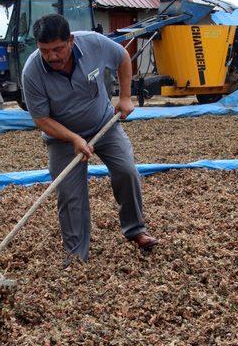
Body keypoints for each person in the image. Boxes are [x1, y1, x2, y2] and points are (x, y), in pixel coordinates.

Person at [21, 14, 158, 263]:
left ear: (71, 41)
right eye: (45, 51)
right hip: (62, 138)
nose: (52, 57)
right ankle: (76, 254)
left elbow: (123, 58)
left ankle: (136, 230)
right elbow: (40, 119)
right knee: (70, 194)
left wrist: (125, 97)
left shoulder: (93, 43)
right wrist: (73, 138)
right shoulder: (32, 71)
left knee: (127, 171)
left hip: (104, 124)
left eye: (58, 49)